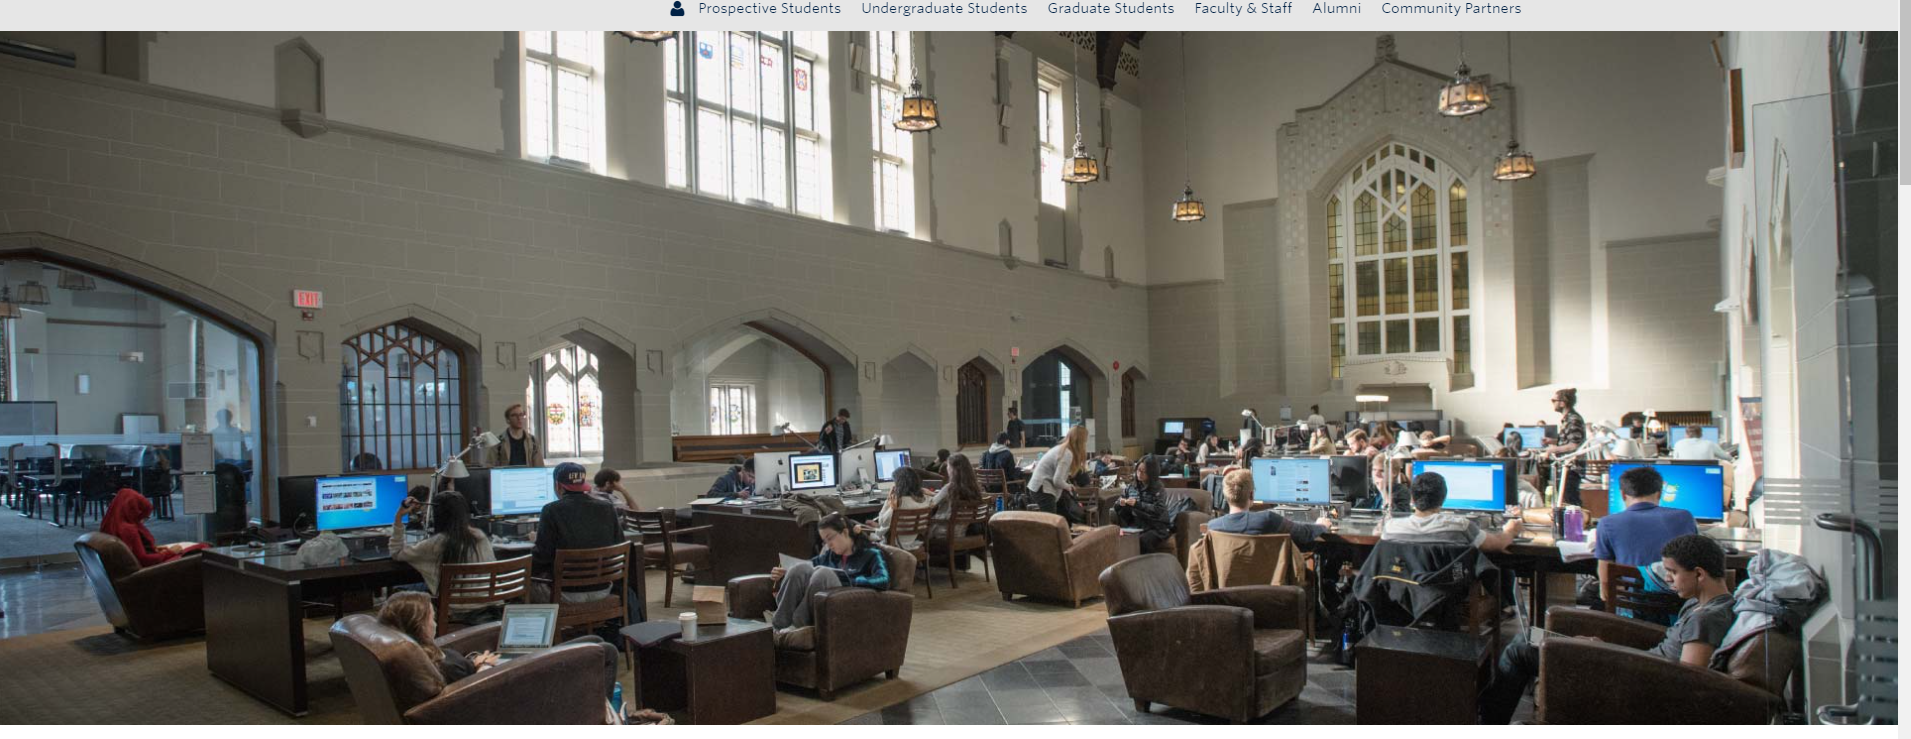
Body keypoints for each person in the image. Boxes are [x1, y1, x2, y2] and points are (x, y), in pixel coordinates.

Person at [1480, 534, 1737, 723]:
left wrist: (1608, 655)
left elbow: (1686, 682)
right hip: (1631, 663)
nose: (1667, 578)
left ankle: (1488, 723)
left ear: (1699, 574)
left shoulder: (1706, 619)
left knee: (1521, 649)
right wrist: (1605, 647)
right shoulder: (1699, 604)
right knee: (1532, 639)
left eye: (1672, 572)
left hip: (1629, 677)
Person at [374, 591, 620, 703]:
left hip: (489, 675)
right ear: (418, 624)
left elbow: (460, 676)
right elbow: (469, 689)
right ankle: (601, 715)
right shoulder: (444, 664)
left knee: (596, 643)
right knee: (604, 650)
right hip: (509, 684)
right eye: (431, 617)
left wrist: (475, 663)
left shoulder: (420, 654)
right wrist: (483, 670)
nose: (435, 621)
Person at [1594, 467, 1698, 608]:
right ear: (1659, 493)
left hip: (1632, 610)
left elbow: (1605, 580)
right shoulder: (1685, 517)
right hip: (1678, 607)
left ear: (1623, 494)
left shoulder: (1606, 523)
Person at [770, 513, 889, 631]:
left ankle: (797, 626)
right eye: (825, 541)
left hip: (851, 600)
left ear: (845, 532)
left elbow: (883, 580)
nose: (828, 545)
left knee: (823, 573)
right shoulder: (832, 555)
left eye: (830, 538)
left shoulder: (871, 553)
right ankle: (778, 626)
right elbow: (809, 565)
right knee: (799, 569)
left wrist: (852, 580)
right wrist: (785, 572)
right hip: (827, 600)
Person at [532, 463, 624, 603]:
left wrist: (535, 541)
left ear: (558, 485)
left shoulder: (551, 511)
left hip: (565, 592)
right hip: (603, 589)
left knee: (522, 585)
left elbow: (542, 558)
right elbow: (619, 545)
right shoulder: (607, 507)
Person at [389, 491, 496, 609]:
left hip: (457, 609)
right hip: (490, 605)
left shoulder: (436, 544)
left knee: (400, 589)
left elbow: (396, 552)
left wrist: (398, 517)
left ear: (438, 515)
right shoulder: (480, 536)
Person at [1381, 472, 1520, 553]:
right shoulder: (1460, 527)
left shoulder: (1390, 528)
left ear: (1412, 497)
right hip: (1450, 596)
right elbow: (1497, 544)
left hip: (1405, 595)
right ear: (1443, 498)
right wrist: (1510, 530)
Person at [1206, 469, 1334, 546]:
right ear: (1251, 494)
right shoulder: (1267, 519)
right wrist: (1321, 525)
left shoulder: (1213, 527)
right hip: (1270, 589)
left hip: (1226, 589)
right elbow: (1303, 534)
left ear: (1225, 496)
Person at [98, 489, 207, 566]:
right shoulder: (129, 530)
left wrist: (152, 548)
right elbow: (144, 559)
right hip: (153, 569)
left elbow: (134, 552)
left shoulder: (110, 525)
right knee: (203, 547)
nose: (142, 521)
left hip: (144, 567)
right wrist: (170, 553)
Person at [864, 466, 945, 549]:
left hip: (893, 544)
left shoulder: (898, 503)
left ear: (899, 484)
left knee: (859, 525)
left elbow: (882, 522)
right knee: (872, 524)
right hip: (912, 543)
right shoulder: (927, 500)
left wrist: (888, 500)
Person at [1113, 455, 1178, 551]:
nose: (1139, 474)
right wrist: (1120, 503)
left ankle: (1151, 564)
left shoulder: (1158, 488)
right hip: (1138, 525)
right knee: (1122, 539)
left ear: (1151, 473)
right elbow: (1118, 504)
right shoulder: (1131, 487)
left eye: (1144, 472)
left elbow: (1159, 509)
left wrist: (1138, 504)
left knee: (1142, 541)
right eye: (1138, 470)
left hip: (1156, 527)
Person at [1027, 425, 1088, 520]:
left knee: (1058, 517)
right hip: (1043, 488)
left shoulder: (1061, 449)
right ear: (1081, 441)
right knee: (1051, 522)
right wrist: (1069, 486)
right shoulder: (1067, 454)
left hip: (1038, 486)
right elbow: (1057, 480)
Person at [1541, 388, 1588, 506]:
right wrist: (1553, 441)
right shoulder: (1568, 419)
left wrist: (1552, 449)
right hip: (1565, 467)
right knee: (1566, 501)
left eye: (1554, 400)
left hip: (1571, 467)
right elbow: (1570, 439)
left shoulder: (1573, 419)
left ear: (1563, 402)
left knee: (1571, 502)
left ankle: (1576, 523)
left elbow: (1574, 445)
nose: (1553, 403)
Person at [930, 453, 986, 539]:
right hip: (961, 533)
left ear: (953, 469)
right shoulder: (974, 488)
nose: (947, 468)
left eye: (948, 466)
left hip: (942, 532)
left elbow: (930, 504)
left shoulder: (949, 488)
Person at [483, 403, 543, 468]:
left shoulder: (532, 441)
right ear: (508, 420)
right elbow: (489, 465)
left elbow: (539, 466)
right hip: (506, 476)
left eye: (521, 415)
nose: (519, 418)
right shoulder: (498, 442)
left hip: (527, 476)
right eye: (514, 415)